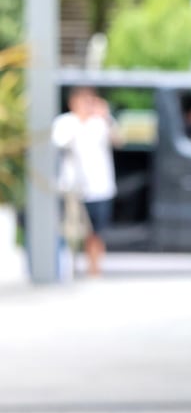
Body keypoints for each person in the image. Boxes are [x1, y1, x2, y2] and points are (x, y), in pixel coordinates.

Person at [52, 86, 119, 277]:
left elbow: (118, 140)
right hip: (73, 187)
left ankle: (94, 269)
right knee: (71, 229)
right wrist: (80, 120)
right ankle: (68, 269)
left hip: (101, 186)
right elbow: (59, 143)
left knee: (97, 232)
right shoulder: (65, 122)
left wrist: (106, 117)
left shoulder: (101, 122)